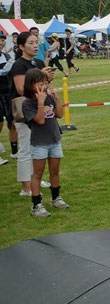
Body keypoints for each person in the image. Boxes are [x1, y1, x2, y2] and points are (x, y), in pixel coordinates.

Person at [10, 32, 54, 197]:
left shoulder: (38, 61)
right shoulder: (19, 65)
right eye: (31, 43)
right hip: (25, 109)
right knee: (26, 148)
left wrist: (47, 79)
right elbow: (22, 89)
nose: (35, 45)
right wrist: (42, 74)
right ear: (21, 46)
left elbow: (41, 85)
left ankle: (35, 178)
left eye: (36, 42)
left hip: (41, 108)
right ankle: (26, 186)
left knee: (38, 147)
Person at [22, 68, 69, 217]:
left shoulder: (49, 98)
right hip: (39, 143)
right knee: (38, 174)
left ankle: (56, 198)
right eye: (40, 84)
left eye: (45, 83)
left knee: (54, 172)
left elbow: (60, 114)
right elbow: (40, 120)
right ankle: (36, 205)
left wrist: (56, 98)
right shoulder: (28, 103)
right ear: (31, 85)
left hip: (54, 140)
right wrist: (40, 102)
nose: (44, 86)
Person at [0, 33, 17, 162]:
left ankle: (14, 151)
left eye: (2, 40)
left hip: (7, 93)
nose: (1, 43)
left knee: (12, 122)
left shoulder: (6, 56)